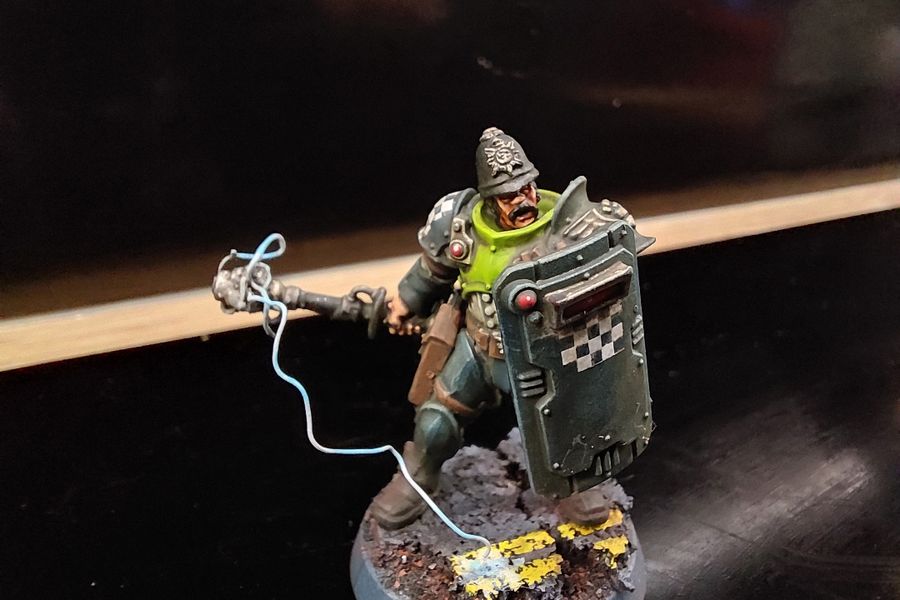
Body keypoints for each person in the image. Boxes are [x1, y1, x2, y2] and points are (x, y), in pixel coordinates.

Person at [372, 127, 639, 529]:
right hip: (477, 350)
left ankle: (576, 481)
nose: (523, 200)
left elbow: (610, 273)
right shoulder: (463, 228)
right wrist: (404, 304)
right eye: (510, 195)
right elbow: (430, 272)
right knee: (435, 420)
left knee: (563, 422)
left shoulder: (567, 229)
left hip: (543, 356)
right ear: (489, 198)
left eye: (527, 188)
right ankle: (420, 477)